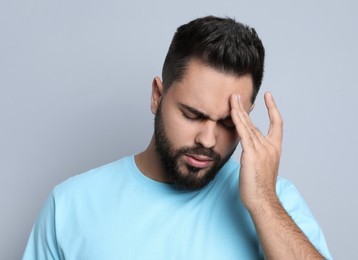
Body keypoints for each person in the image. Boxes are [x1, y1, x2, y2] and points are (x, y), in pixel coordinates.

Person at [23, 16, 332, 259]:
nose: (208, 140)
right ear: (157, 96)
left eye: (229, 123)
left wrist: (263, 203)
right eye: (192, 115)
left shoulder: (276, 201)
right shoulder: (69, 206)